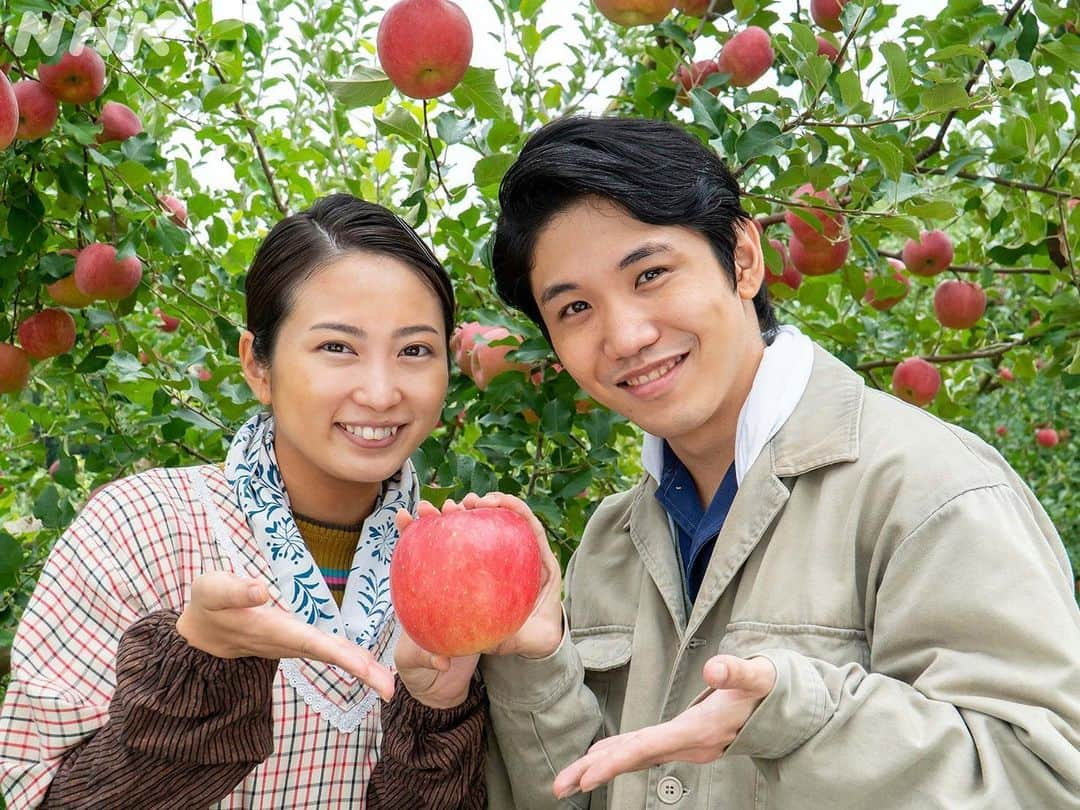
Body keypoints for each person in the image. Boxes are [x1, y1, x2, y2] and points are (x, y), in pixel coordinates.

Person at [425, 116, 1080, 808]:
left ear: (743, 258)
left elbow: (1043, 780)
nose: (625, 335)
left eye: (650, 274)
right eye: (575, 307)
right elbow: (585, 793)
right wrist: (536, 663)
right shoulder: (611, 542)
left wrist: (798, 721)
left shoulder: (928, 490)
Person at [0, 194, 487, 809]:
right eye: (337, 347)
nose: (382, 391)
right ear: (257, 364)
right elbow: (40, 797)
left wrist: (438, 711)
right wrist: (200, 669)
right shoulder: (138, 528)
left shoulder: (455, 559)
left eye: (415, 350)